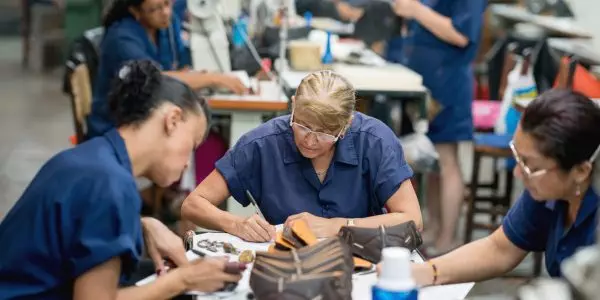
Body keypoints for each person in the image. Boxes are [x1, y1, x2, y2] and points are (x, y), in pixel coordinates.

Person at [0, 60, 241, 299]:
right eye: (192, 146)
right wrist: (184, 280)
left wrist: (142, 225)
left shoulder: (93, 157)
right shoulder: (112, 184)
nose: (188, 162)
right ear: (173, 120)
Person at [181, 70, 423, 242]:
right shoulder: (263, 145)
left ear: (347, 124)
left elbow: (413, 221)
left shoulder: (375, 141)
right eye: (303, 125)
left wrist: (334, 226)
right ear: (294, 104)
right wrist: (236, 224)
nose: (310, 140)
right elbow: (193, 204)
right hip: (288, 267)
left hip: (361, 261)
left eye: (326, 133)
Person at [406, 90, 600, 286]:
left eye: (529, 165)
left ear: (581, 171)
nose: (518, 172)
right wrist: (428, 272)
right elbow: (500, 249)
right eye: (518, 157)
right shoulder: (548, 194)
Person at [387, 0, 488, 253]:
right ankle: (432, 228)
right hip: (426, 79)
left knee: (447, 160)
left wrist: (416, 10)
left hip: (448, 82)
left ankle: (447, 240)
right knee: (432, 163)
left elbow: (462, 35)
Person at [87, 0, 247, 138]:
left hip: (146, 115)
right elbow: (156, 78)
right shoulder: (121, 37)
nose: (165, 12)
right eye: (155, 9)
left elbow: (179, 64)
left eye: (167, 3)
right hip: (117, 126)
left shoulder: (165, 28)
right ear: (135, 11)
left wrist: (199, 75)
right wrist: (213, 78)